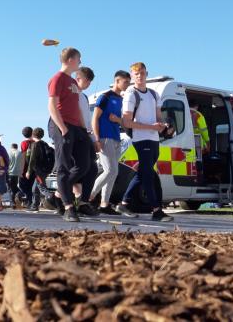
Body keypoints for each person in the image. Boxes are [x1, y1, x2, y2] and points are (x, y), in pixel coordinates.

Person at [114, 62, 173, 221]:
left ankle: (124, 203)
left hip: (154, 139)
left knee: (142, 172)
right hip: (141, 139)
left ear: (146, 74)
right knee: (147, 175)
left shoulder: (154, 94)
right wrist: (150, 127)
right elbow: (126, 122)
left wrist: (163, 125)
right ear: (132, 76)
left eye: (142, 73)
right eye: (136, 74)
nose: (139, 76)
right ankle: (156, 211)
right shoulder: (130, 93)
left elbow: (158, 117)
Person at [46, 47, 89, 222]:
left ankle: (58, 194)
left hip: (77, 127)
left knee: (84, 165)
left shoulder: (72, 82)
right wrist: (63, 128)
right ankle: (69, 207)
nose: (80, 62)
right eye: (79, 59)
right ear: (71, 60)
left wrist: (84, 128)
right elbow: (52, 106)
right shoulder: (57, 79)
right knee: (63, 166)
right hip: (62, 125)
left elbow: (77, 107)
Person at [91, 70, 131, 214]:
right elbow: (94, 118)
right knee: (110, 170)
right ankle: (88, 197)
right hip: (104, 138)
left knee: (113, 173)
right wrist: (96, 138)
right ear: (117, 81)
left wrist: (118, 120)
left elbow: (124, 122)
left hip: (116, 139)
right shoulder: (105, 97)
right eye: (125, 82)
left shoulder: (122, 99)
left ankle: (104, 204)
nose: (127, 84)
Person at [73, 67, 99, 217]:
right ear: (78, 78)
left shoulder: (84, 97)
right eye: (86, 80)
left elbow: (88, 121)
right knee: (79, 168)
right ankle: (58, 195)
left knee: (92, 169)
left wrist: (94, 139)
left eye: (90, 81)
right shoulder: (73, 94)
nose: (88, 83)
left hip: (86, 135)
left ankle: (82, 201)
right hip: (75, 134)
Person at [25, 128, 53, 212]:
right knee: (35, 189)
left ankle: (56, 200)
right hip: (45, 170)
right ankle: (34, 206)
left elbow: (32, 159)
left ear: (33, 135)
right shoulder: (45, 144)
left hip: (39, 171)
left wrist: (28, 171)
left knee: (42, 188)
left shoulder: (35, 145)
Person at [18, 127, 36, 208]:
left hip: (25, 168)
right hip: (34, 168)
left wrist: (21, 170)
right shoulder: (36, 142)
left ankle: (28, 200)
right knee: (30, 185)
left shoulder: (24, 143)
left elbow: (23, 156)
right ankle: (30, 202)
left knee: (23, 186)